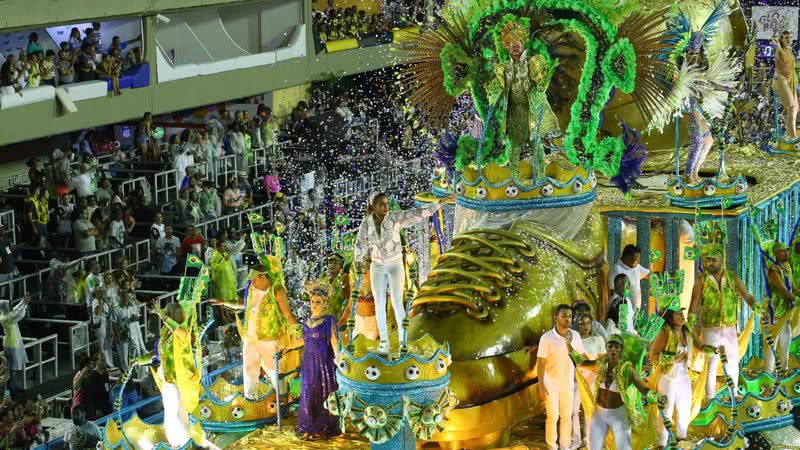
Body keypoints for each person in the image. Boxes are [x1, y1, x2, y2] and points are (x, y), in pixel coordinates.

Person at [354, 193, 453, 354]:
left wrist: (439, 203)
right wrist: (359, 262)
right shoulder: (366, 224)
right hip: (377, 266)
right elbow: (360, 245)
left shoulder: (394, 218)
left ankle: (403, 341)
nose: (385, 208)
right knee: (379, 305)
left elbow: (417, 214)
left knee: (397, 303)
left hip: (395, 264)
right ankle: (384, 343)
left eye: (386, 204)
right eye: (381, 205)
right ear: (373, 206)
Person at [212, 261, 297, 398]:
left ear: (264, 277)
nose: (252, 282)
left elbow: (287, 314)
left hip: (269, 340)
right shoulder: (251, 289)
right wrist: (224, 302)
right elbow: (244, 304)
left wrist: (297, 331)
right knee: (249, 370)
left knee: (275, 370)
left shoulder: (276, 290)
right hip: (250, 339)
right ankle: (250, 399)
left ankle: (283, 400)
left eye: (255, 279)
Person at [688, 242, 755, 401]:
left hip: (730, 327)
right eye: (707, 260)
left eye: (713, 260)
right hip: (710, 329)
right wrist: (688, 327)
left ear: (721, 259)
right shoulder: (701, 281)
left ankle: (734, 394)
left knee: (732, 361)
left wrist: (756, 306)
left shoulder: (732, 277)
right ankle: (710, 397)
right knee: (712, 363)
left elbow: (747, 297)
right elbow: (693, 306)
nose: (710, 263)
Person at [649, 302, 715, 449]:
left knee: (685, 409)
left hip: (684, 376)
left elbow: (701, 347)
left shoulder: (687, 330)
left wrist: (714, 350)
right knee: (666, 410)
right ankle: (661, 444)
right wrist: (672, 358)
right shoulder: (664, 332)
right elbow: (652, 355)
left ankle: (681, 441)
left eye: (682, 312)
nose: (682, 316)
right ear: (670, 317)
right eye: (678, 313)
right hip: (668, 377)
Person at [584, 334, 657, 450]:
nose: (613, 350)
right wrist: (568, 345)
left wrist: (656, 397)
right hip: (598, 413)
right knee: (593, 447)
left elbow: (642, 388)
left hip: (618, 415)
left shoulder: (627, 369)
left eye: (616, 347)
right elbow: (580, 363)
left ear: (621, 349)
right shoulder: (600, 364)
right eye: (610, 346)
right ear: (606, 348)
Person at [536, 304, 588, 450]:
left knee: (566, 417)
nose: (567, 319)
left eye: (570, 316)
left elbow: (581, 358)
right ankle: (552, 446)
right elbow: (541, 362)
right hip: (550, 384)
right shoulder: (546, 338)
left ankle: (565, 446)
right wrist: (541, 385)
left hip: (568, 384)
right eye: (564, 315)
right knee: (553, 417)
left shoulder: (575, 336)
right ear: (556, 317)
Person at [296, 282, 340, 440]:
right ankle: (308, 427)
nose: (314, 305)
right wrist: (286, 347)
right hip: (309, 362)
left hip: (324, 363)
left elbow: (335, 342)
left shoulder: (329, 320)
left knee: (323, 393)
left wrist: (339, 360)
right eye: (312, 301)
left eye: (317, 302)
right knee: (308, 392)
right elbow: (303, 340)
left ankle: (323, 427)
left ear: (324, 304)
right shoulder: (306, 321)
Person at [764, 240, 798, 375]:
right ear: (776, 253)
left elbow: (793, 288)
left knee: (787, 339)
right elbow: (784, 290)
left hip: (786, 311)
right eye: (783, 251)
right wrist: (795, 299)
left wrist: (797, 294)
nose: (786, 253)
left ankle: (784, 369)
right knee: (772, 342)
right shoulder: (773, 269)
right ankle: (768, 372)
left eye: (787, 250)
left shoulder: (787, 267)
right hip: (775, 311)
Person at [573, 312, 605, 448]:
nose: (585, 326)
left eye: (587, 323)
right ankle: (576, 440)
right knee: (574, 411)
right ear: (577, 325)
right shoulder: (574, 340)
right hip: (576, 379)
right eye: (582, 324)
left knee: (591, 410)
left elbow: (603, 359)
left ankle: (591, 440)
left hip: (592, 378)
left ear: (592, 324)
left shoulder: (597, 339)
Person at [607, 244, 650, 319]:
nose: (637, 262)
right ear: (626, 257)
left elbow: (649, 275)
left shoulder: (636, 266)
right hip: (622, 310)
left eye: (638, 259)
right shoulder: (616, 269)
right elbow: (612, 292)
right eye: (635, 259)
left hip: (634, 310)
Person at [339, 263, 378, 339]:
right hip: (357, 323)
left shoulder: (379, 286)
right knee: (350, 349)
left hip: (372, 325)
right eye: (362, 266)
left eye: (368, 267)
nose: (364, 269)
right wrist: (340, 322)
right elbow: (350, 308)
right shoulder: (354, 286)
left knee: (370, 349)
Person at [0, 294, 30, 394]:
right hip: (11, 344)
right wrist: (25, 304)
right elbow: (19, 314)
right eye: (8, 306)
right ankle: (11, 388)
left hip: (10, 343)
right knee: (11, 368)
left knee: (11, 368)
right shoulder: (5, 317)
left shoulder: (4, 314)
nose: (10, 307)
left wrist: (23, 301)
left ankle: (12, 387)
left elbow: (15, 309)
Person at [772, 31, 797, 140]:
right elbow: (783, 59)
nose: (789, 39)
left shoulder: (790, 50)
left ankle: (790, 132)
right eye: (786, 37)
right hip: (780, 80)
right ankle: (792, 136)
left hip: (789, 81)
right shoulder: (779, 50)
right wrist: (778, 45)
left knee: (795, 108)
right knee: (791, 107)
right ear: (781, 39)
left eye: (790, 37)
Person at [210, 237, 237, 301]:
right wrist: (224, 260)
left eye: (225, 246)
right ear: (217, 247)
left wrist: (233, 279)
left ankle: (228, 311)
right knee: (221, 299)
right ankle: (223, 311)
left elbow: (230, 268)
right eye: (223, 246)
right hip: (220, 282)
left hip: (229, 281)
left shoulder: (226, 254)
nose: (224, 247)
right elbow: (216, 268)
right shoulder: (214, 256)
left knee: (230, 299)